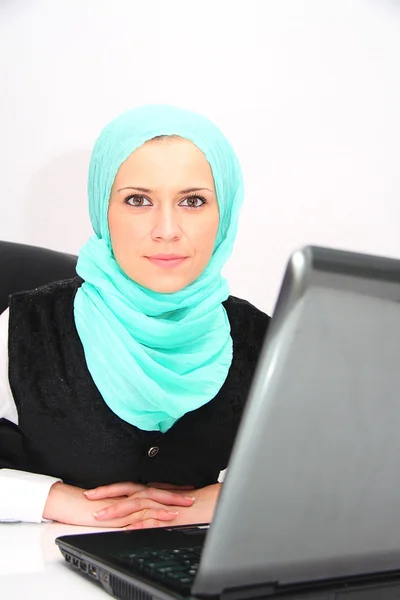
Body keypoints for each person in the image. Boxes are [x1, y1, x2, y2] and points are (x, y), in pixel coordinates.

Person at [0, 105, 270, 529]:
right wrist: (52, 499)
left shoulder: (266, 341)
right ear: (102, 209)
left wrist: (234, 498)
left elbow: (330, 467)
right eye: (138, 200)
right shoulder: (24, 327)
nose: (166, 229)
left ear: (225, 214)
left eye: (193, 201)